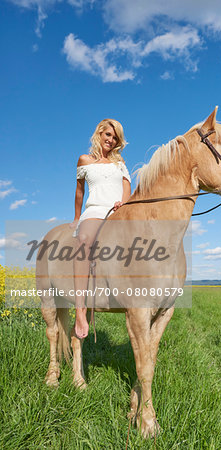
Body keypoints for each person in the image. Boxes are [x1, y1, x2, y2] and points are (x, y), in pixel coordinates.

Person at [70, 119, 131, 339]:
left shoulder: (119, 162)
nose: (111, 140)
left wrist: (123, 204)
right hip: (95, 210)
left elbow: (126, 187)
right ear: (99, 134)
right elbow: (79, 192)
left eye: (115, 138)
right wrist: (77, 217)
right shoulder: (84, 160)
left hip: (117, 211)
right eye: (108, 135)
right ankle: (80, 308)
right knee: (85, 240)